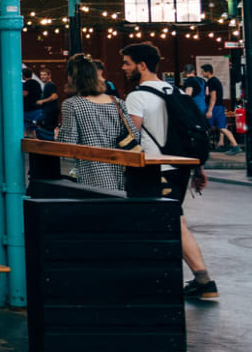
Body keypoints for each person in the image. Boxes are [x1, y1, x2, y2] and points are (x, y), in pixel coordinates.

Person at [122, 42, 217, 301]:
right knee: (175, 221)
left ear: (142, 65)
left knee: (171, 223)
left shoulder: (137, 96)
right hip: (179, 167)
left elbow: (133, 137)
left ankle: (187, 281)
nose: (124, 68)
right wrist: (198, 167)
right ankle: (202, 281)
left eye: (127, 63)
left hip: (154, 168)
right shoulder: (173, 91)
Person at [55, 53, 129, 192]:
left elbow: (67, 144)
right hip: (121, 172)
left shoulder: (72, 104)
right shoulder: (117, 102)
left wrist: (58, 134)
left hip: (91, 172)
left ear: (72, 77)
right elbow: (134, 136)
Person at [204, 64, 241, 153]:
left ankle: (203, 147)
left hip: (214, 107)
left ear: (207, 72)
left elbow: (213, 97)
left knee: (205, 126)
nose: (201, 73)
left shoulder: (211, 82)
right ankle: (235, 145)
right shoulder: (216, 81)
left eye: (202, 71)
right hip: (219, 106)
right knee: (222, 128)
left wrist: (209, 110)